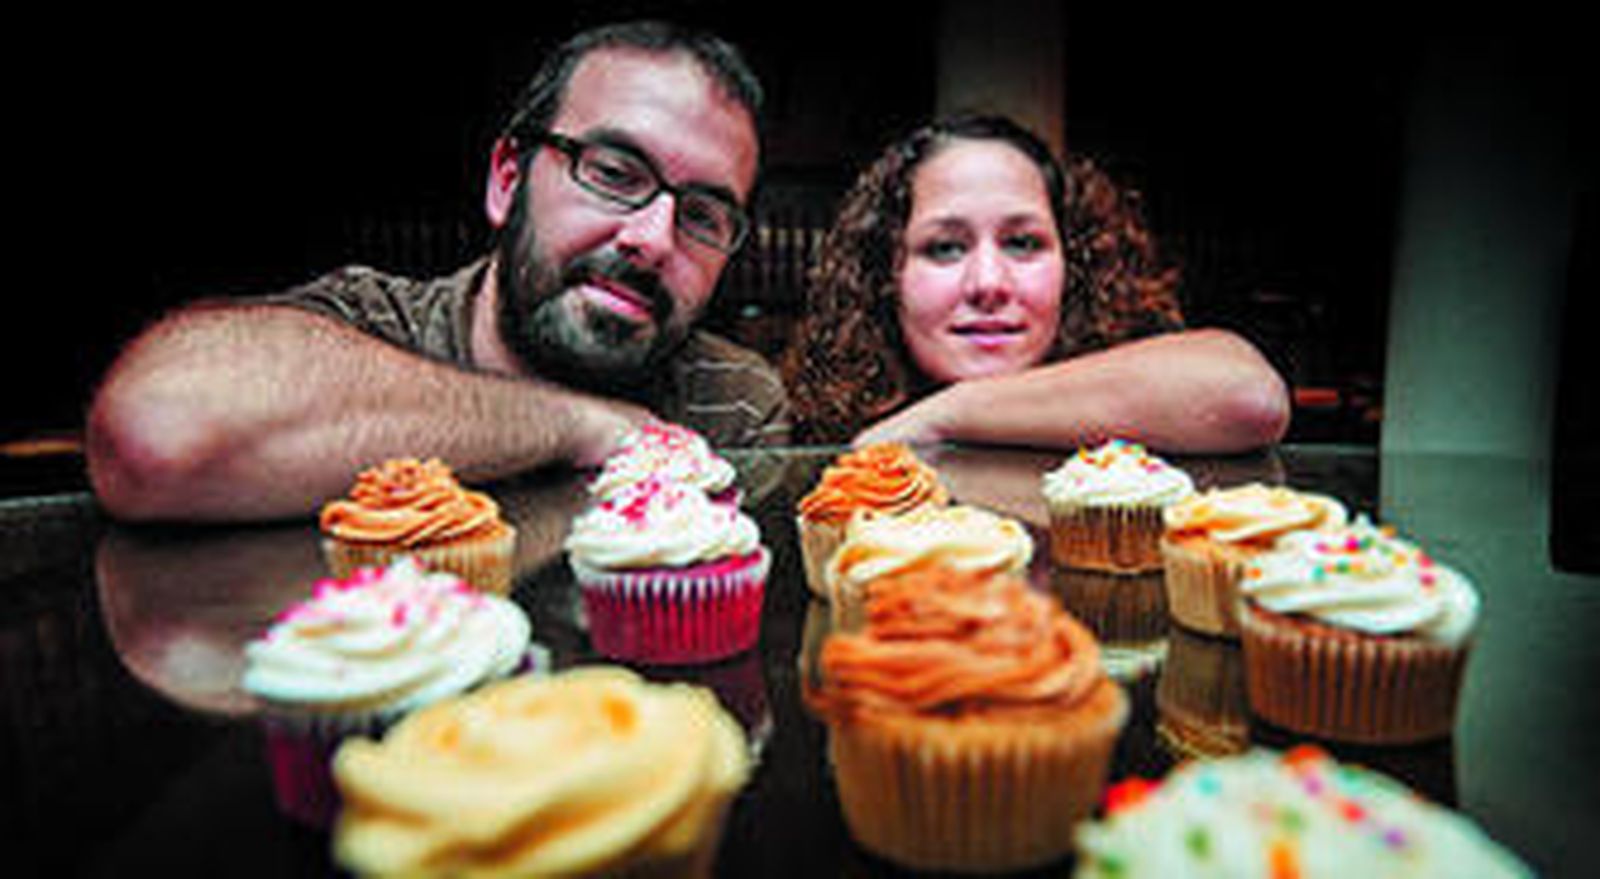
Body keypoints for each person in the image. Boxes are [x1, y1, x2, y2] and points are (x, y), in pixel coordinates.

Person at [88, 21, 789, 522]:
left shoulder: (731, 402)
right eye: (612, 172)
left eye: (703, 216)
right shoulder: (372, 324)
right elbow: (159, 428)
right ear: (507, 180)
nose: (652, 238)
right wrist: (587, 426)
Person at [782, 114, 1289, 452]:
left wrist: (949, 412)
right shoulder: (823, 431)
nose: (988, 283)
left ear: (1076, 266)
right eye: (944, 247)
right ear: (885, 275)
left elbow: (1251, 396)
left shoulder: (1136, 397)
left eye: (1023, 243)